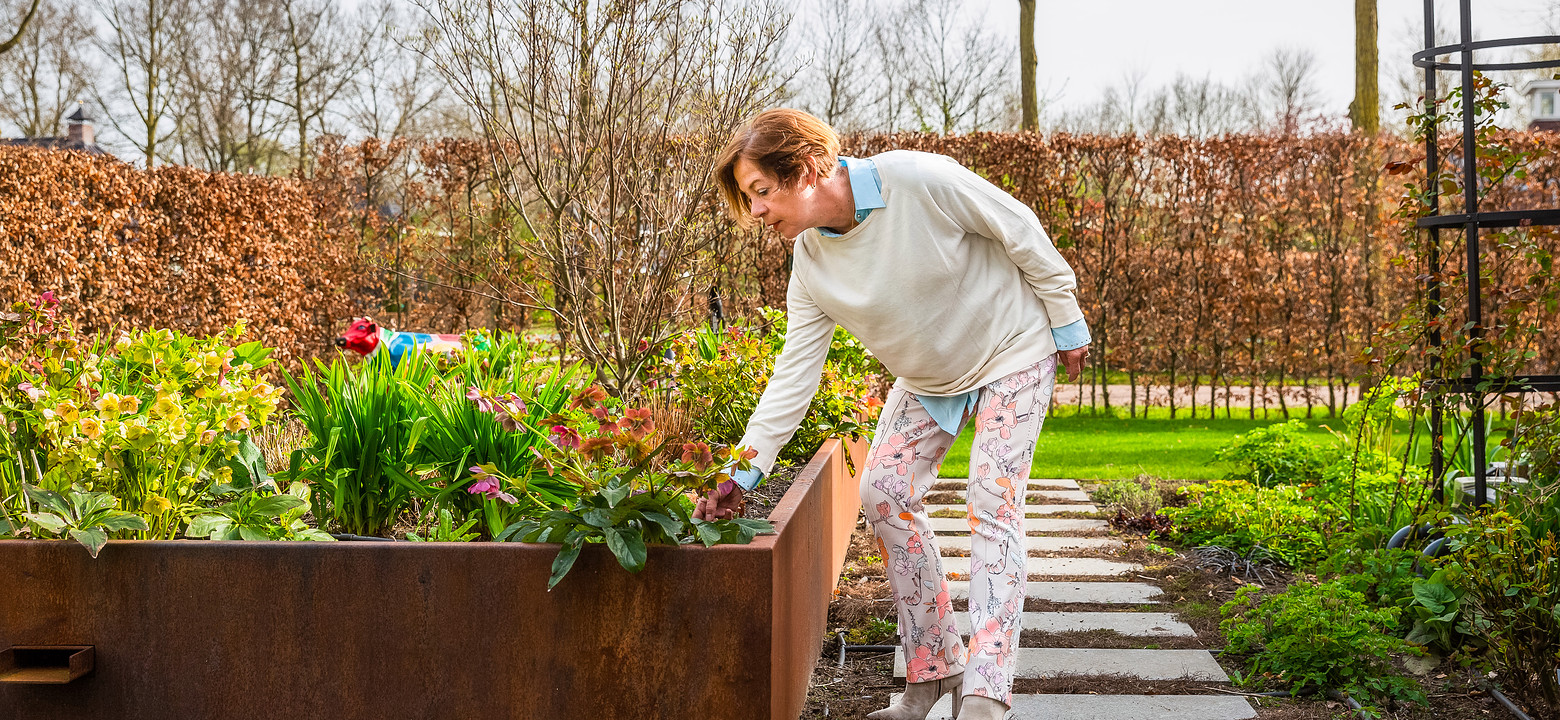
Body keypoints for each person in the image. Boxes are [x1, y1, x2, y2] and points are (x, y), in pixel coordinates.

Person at [694, 108, 1090, 720]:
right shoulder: (811, 265)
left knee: (993, 504)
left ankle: (986, 695)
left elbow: (1017, 227)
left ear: (803, 169)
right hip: (930, 377)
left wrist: (1065, 318)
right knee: (882, 490)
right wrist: (740, 473)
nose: (756, 212)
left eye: (762, 192)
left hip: (1013, 349)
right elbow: (792, 380)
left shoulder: (915, 180)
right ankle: (933, 672)